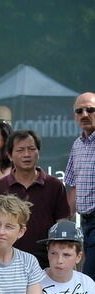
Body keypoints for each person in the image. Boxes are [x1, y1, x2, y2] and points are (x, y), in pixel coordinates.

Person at [0, 130, 70, 267]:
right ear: (10, 155)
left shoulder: (55, 186)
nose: (26, 154)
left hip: (45, 264)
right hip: (4, 264)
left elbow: (62, 224)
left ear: (38, 152)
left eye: (31, 149)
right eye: (20, 150)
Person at [64, 92, 95, 278]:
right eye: (79, 110)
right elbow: (74, 186)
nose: (84, 114)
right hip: (85, 223)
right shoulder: (77, 145)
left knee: (90, 278)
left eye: (90, 109)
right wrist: (63, 223)